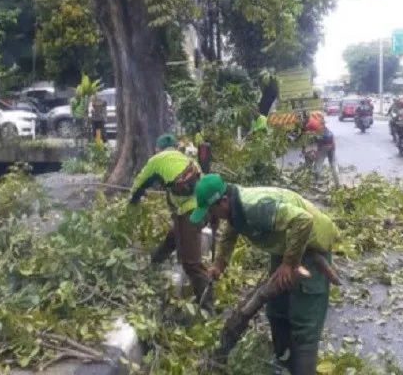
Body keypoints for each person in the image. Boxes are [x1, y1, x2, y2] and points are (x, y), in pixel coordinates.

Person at [190, 174, 339, 375]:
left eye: (210, 210)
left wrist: (289, 263)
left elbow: (303, 221)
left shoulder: (256, 207)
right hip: (287, 244)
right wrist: (219, 264)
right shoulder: (234, 209)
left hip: (310, 244)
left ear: (223, 201)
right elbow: (229, 233)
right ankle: (285, 365)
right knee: (276, 312)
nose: (209, 215)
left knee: (303, 324)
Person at [130, 134, 213, 311]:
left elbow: (138, 184)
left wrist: (131, 204)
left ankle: (208, 308)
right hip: (204, 208)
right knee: (173, 237)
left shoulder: (157, 160)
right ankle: (154, 264)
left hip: (192, 212)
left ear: (158, 149)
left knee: (191, 263)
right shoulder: (187, 159)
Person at [303, 113, 339, 186]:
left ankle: (317, 182)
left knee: (318, 164)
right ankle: (337, 182)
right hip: (332, 145)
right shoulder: (321, 124)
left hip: (322, 147)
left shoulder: (310, 123)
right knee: (333, 163)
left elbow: (307, 136)